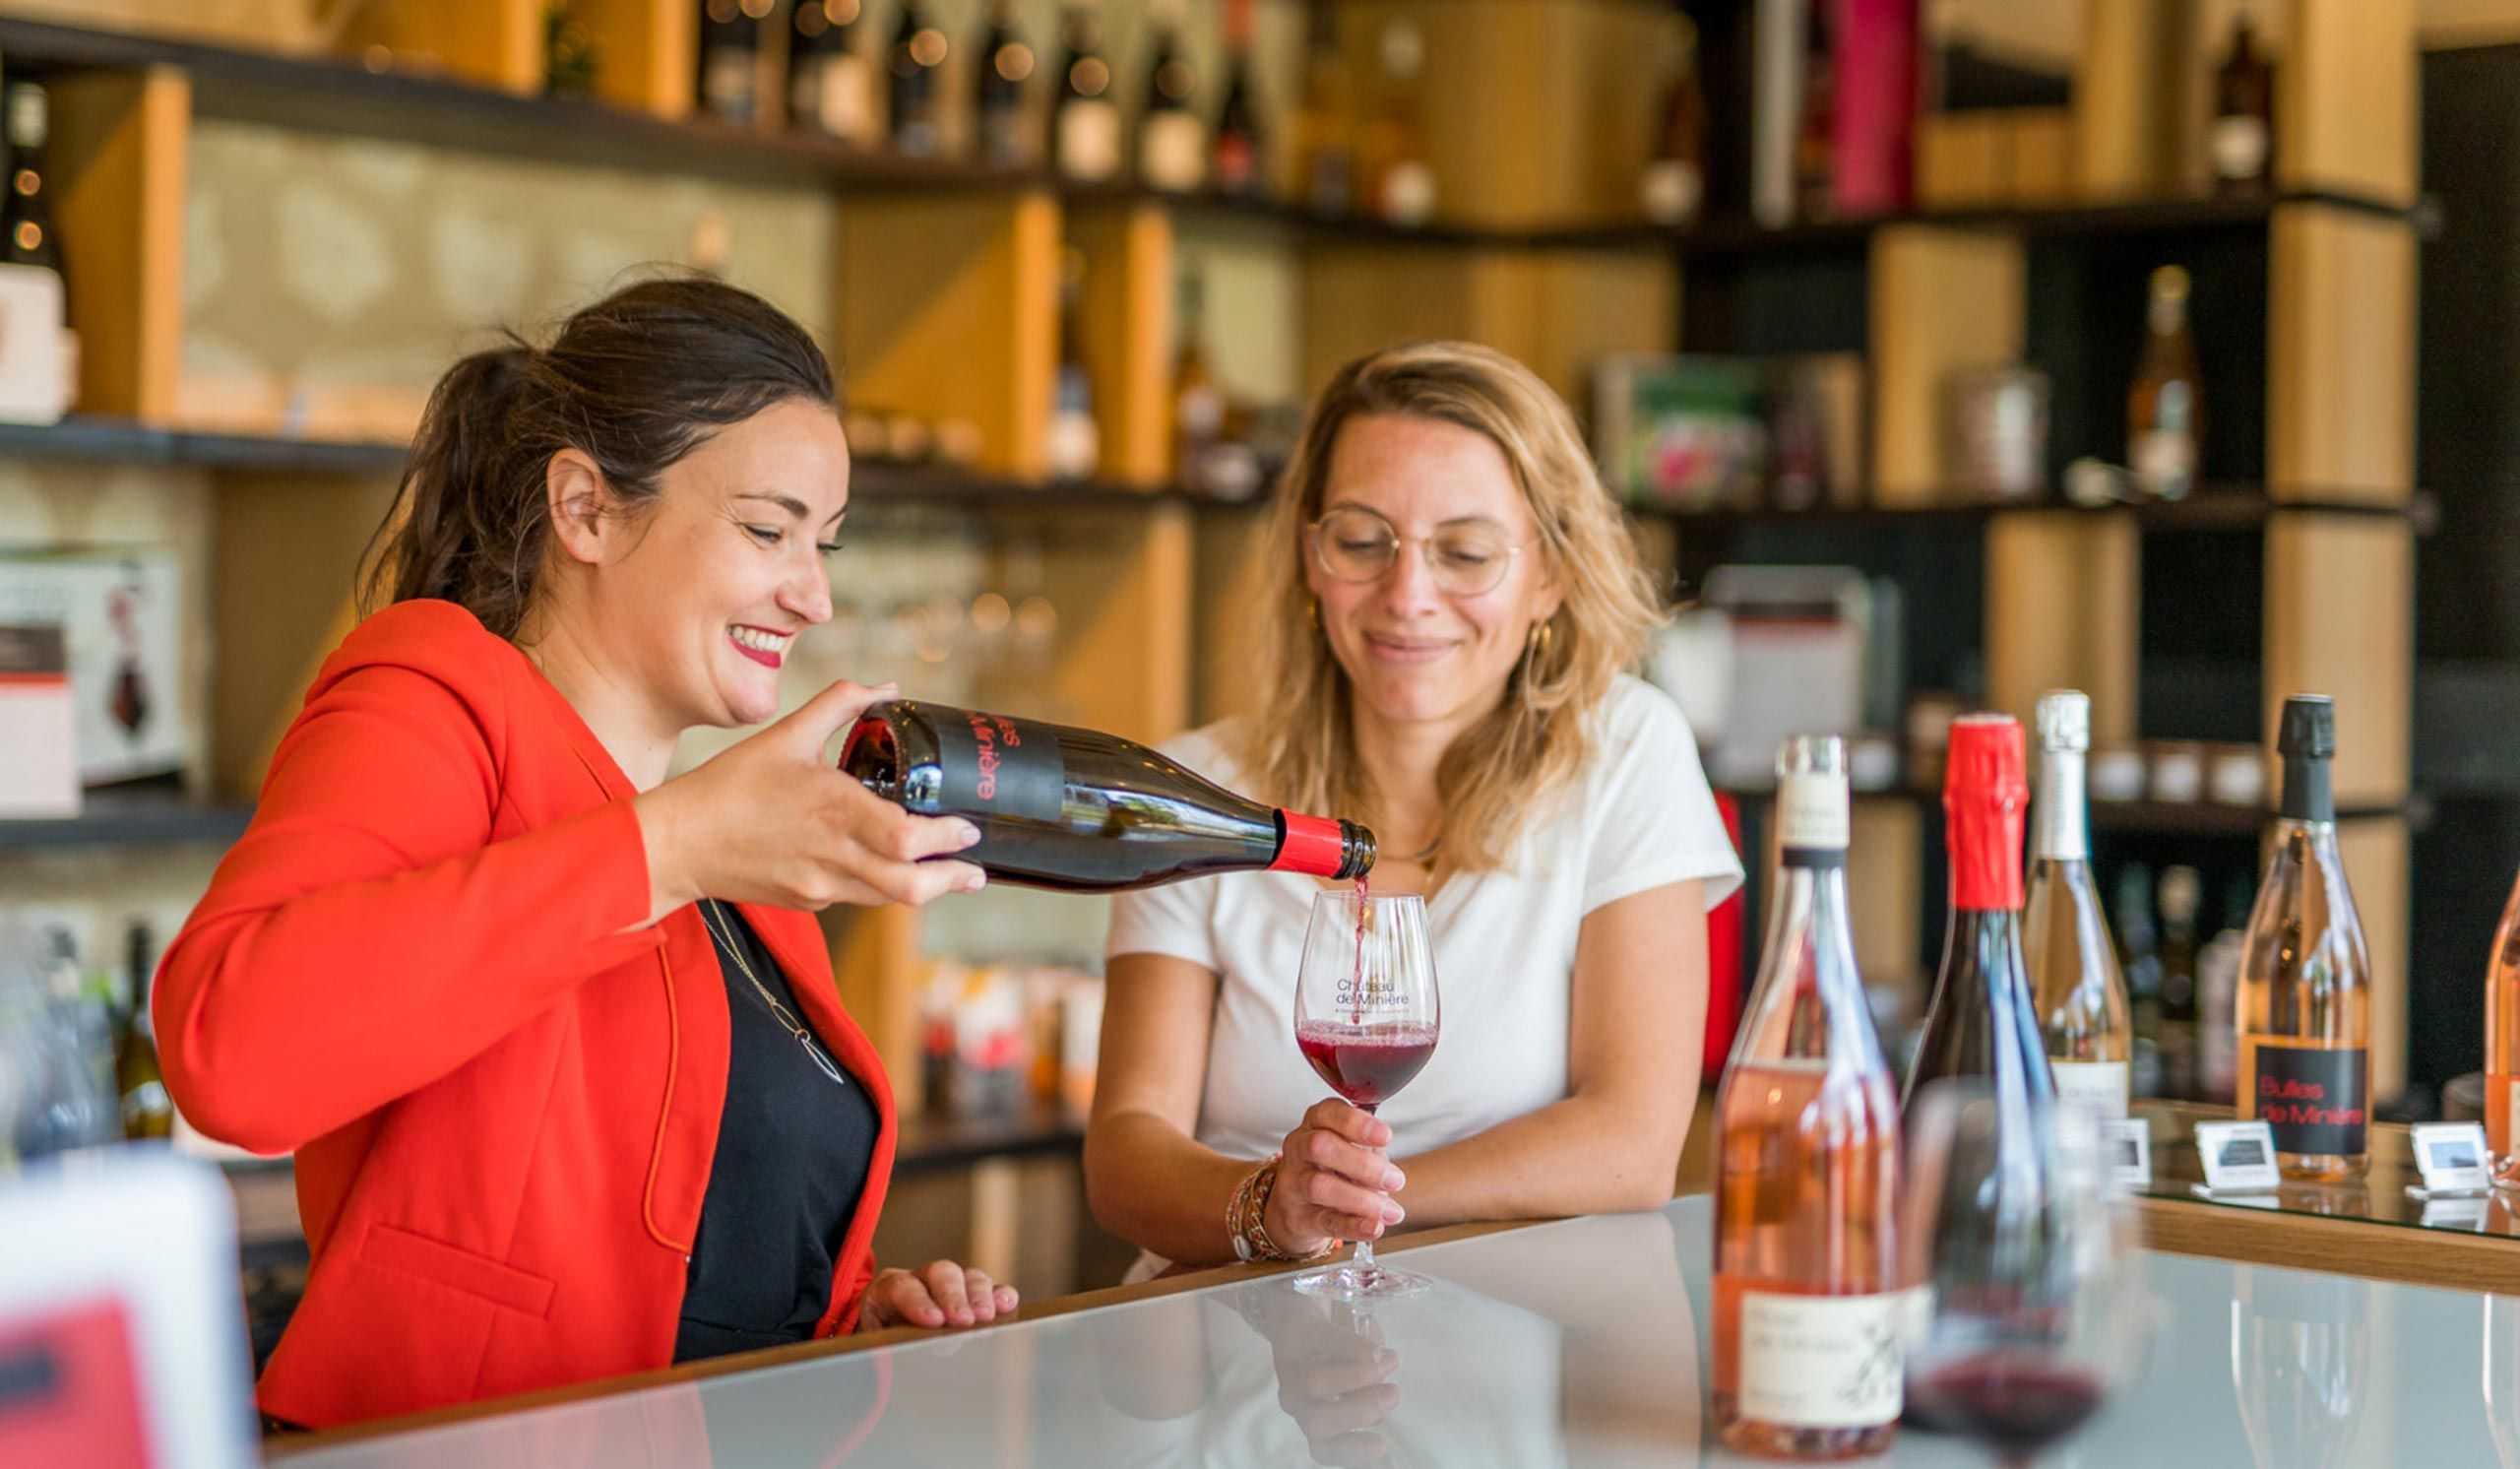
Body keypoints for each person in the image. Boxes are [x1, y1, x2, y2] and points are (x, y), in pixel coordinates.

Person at [155, 277, 1017, 1432]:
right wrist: (672, 846)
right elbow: (231, 1051)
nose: (812, 594)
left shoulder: (720, 839)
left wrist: (852, 1319)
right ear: (587, 511)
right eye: (767, 529)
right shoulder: (436, 691)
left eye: (824, 543)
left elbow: (688, 1237)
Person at [1086, 341, 1742, 1274]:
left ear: (1548, 575)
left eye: (1466, 552)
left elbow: (1631, 1145)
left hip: (1511, 1350)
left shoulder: (1625, 752)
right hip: (1218, 1350)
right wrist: (1267, 1213)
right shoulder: (1199, 788)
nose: (1408, 596)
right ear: (1311, 557)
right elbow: (1125, 1150)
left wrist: (1339, 1208)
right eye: (1362, 541)